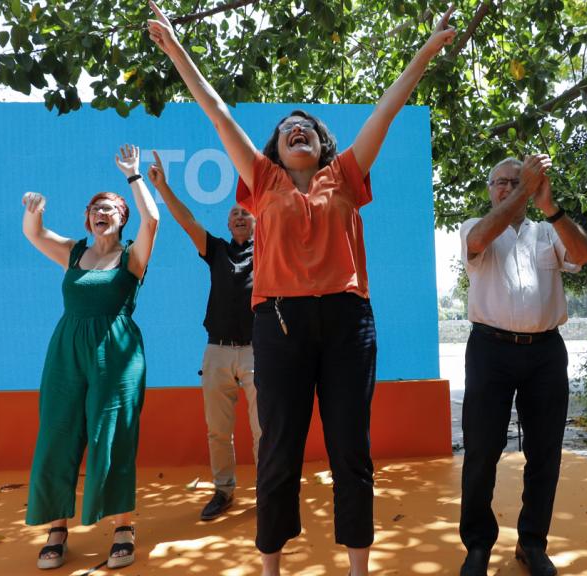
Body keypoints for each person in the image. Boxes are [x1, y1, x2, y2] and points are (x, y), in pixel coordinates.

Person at [149, 3, 459, 574]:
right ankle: (271, 565)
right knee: (278, 451)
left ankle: (358, 566)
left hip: (347, 324)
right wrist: (176, 50)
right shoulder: (261, 181)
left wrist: (429, 49)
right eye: (289, 127)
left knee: (351, 450)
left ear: (323, 145)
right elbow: (217, 113)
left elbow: (387, 109)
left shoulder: (346, 175)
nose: (299, 128)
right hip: (280, 327)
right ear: (275, 147)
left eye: (310, 127)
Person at [21, 144, 159, 571]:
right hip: (66, 350)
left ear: (122, 217)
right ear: (88, 218)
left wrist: (133, 177)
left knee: (113, 436)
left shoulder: (133, 256)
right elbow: (35, 234)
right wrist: (34, 210)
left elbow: (153, 218)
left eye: (110, 208)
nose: (102, 212)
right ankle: (57, 528)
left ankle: (122, 528)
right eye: (95, 208)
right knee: (57, 435)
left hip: (116, 352)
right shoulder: (75, 252)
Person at [458, 156, 587, 576]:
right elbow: (479, 240)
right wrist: (523, 192)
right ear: (489, 189)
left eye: (517, 182)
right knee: (481, 451)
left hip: (545, 353)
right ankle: (478, 545)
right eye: (500, 182)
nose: (508, 188)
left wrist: (550, 206)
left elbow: (584, 255)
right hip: (489, 351)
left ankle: (532, 543)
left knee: (545, 454)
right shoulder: (473, 226)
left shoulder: (546, 232)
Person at [146, 151, 262, 521]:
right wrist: (162, 186)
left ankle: (270, 494)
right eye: (234, 213)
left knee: (266, 432)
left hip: (259, 354)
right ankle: (223, 491)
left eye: (246, 211)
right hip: (216, 353)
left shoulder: (271, 250)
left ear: (258, 220)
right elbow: (187, 220)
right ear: (228, 224)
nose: (240, 215)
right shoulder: (216, 250)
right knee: (218, 431)